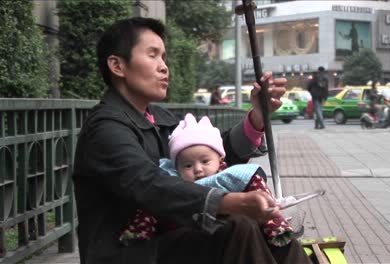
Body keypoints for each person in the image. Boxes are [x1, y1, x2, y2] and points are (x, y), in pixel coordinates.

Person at [72, 17, 311, 264]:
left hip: (168, 234)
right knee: (236, 226)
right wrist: (230, 201)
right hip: (128, 251)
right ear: (117, 66)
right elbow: (148, 183)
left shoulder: (160, 118)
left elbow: (207, 156)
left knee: (274, 231)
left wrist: (257, 119)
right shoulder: (105, 129)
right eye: (153, 55)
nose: (164, 67)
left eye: (164, 58)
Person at [131, 113, 299, 247]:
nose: (198, 169)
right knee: (242, 225)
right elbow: (150, 207)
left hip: (216, 238)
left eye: (205, 162)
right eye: (187, 165)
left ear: (220, 159)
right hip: (188, 239)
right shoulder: (169, 180)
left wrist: (274, 222)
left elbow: (263, 199)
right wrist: (141, 231)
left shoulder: (230, 176)